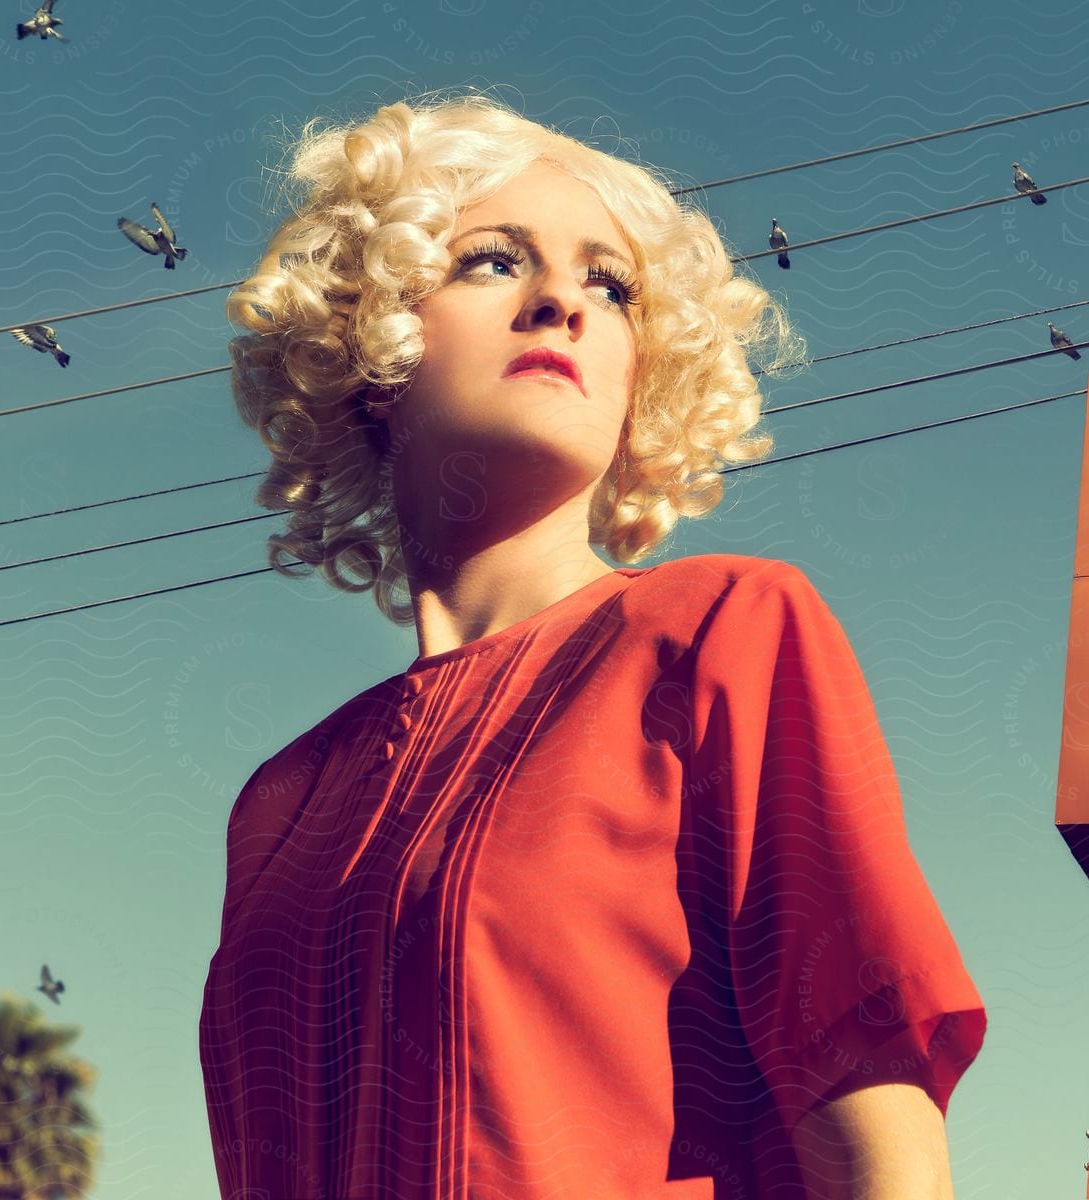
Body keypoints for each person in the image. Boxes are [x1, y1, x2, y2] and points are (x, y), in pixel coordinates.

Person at [200, 90, 987, 1199]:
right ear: (367, 335)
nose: (563, 300)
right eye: (489, 261)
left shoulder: (720, 633)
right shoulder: (277, 807)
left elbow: (871, 1123)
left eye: (610, 286)